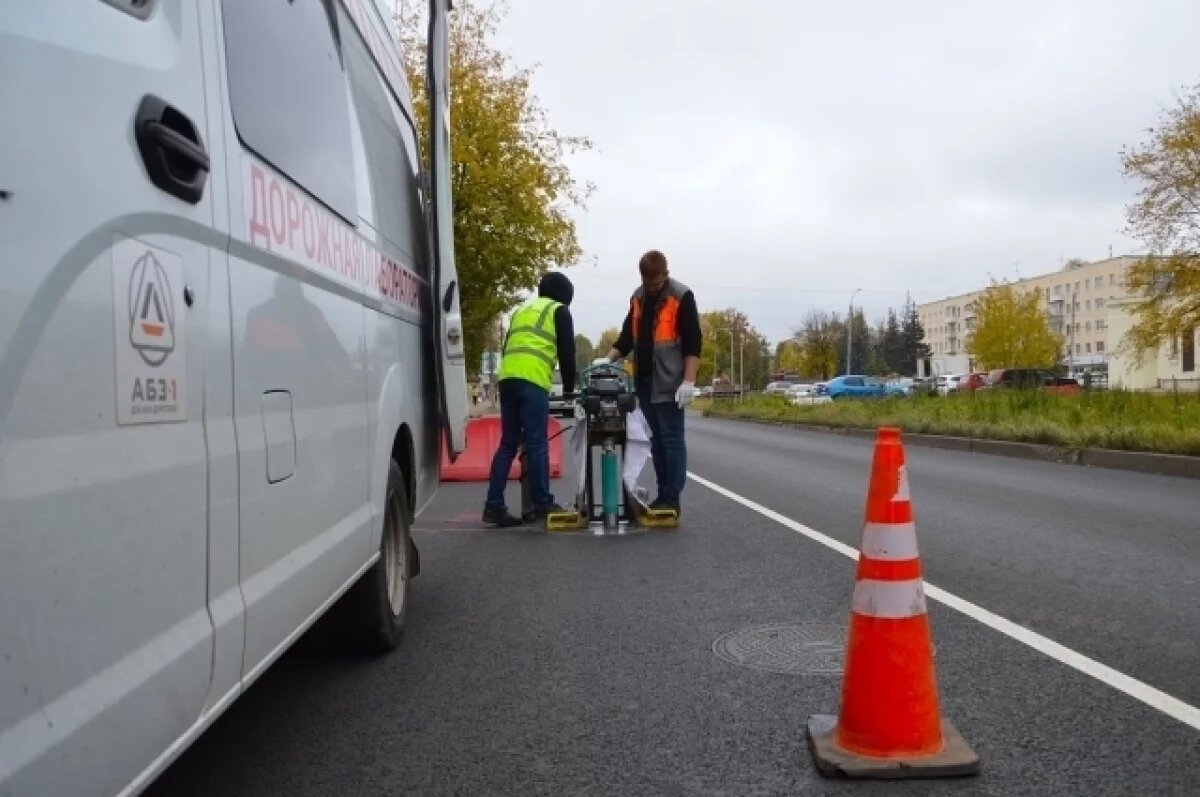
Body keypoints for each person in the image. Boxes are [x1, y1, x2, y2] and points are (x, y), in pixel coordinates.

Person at [607, 249, 701, 516]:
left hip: (670, 382)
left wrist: (689, 381)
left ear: (665, 275)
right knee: (657, 440)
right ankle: (663, 495)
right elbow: (627, 338)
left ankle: (672, 498)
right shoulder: (637, 297)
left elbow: (693, 341)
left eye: (657, 283)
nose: (652, 288)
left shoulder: (681, 296)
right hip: (645, 380)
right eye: (648, 283)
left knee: (672, 439)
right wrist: (607, 359)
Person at [482, 272, 577, 527]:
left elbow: (507, 348)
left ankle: (494, 506)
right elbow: (568, 353)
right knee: (536, 442)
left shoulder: (521, 311)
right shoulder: (559, 310)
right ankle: (542, 503)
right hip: (532, 380)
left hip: (508, 377)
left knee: (508, 444)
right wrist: (569, 389)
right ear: (565, 295)